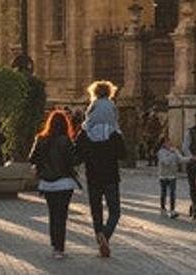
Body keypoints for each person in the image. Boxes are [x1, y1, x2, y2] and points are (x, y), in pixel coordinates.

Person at [74, 107, 125, 258]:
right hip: (111, 177)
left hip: (93, 177)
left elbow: (77, 155)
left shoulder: (85, 133)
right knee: (115, 211)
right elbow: (123, 154)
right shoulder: (114, 133)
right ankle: (106, 235)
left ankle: (99, 235)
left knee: (96, 210)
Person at [29, 109, 79, 260]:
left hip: (47, 183)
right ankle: (60, 248)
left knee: (52, 214)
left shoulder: (41, 139)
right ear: (65, 124)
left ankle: (54, 246)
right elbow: (74, 161)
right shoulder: (66, 140)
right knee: (61, 215)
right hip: (64, 183)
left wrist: (42, 166)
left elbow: (32, 158)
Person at [156, 134, 185, 218]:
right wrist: (173, 155)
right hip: (163, 176)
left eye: (169, 141)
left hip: (172, 175)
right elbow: (166, 162)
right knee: (163, 193)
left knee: (172, 193)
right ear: (163, 143)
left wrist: (191, 159)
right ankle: (163, 209)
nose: (169, 143)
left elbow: (181, 159)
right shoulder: (161, 152)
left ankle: (172, 210)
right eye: (167, 142)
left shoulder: (174, 150)